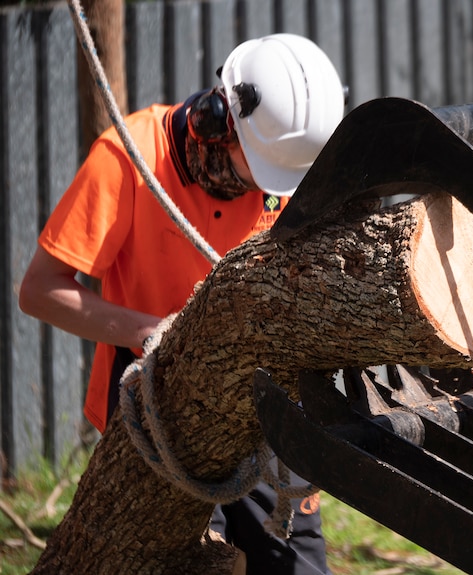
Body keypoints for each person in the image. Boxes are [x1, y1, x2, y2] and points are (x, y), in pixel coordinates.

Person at [18, 33, 345, 575]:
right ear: (218, 120)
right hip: (155, 400)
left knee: (295, 563)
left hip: (258, 392)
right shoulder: (129, 157)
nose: (263, 193)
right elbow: (39, 290)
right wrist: (149, 331)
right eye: (254, 172)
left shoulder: (282, 172)